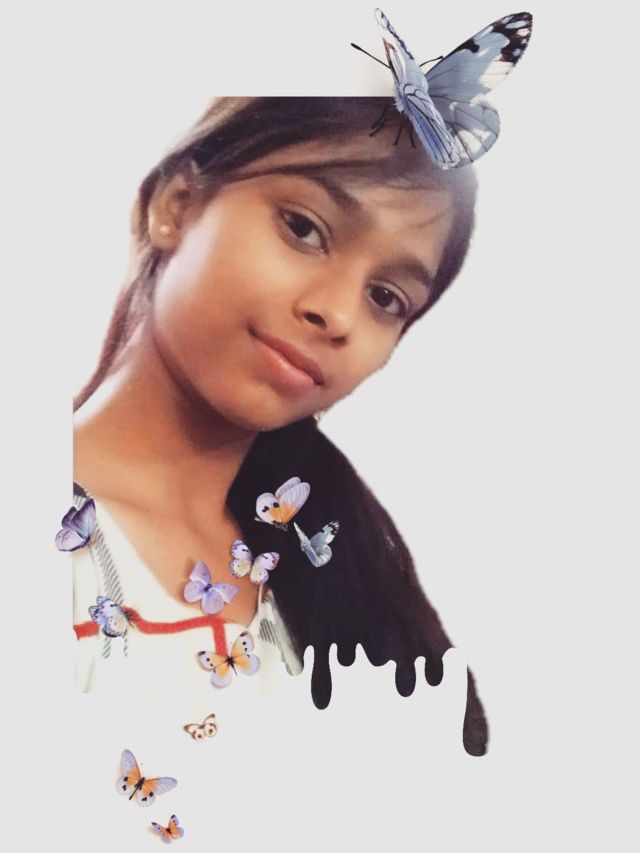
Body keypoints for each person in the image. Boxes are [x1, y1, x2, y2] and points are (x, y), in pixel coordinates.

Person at [71, 96, 487, 756]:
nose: (338, 315)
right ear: (176, 204)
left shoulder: (340, 579)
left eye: (385, 298)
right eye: (304, 228)